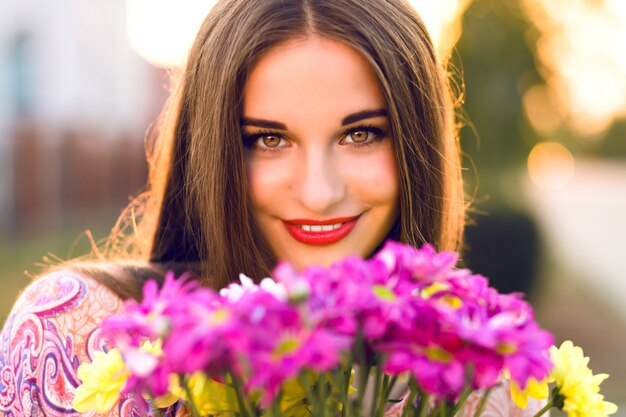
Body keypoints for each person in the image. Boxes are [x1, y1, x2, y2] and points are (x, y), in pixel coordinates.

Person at [0, 1, 544, 416]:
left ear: (416, 144)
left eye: (360, 134)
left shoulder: (478, 384)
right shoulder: (79, 336)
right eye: (268, 140)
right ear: (211, 151)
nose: (318, 193)